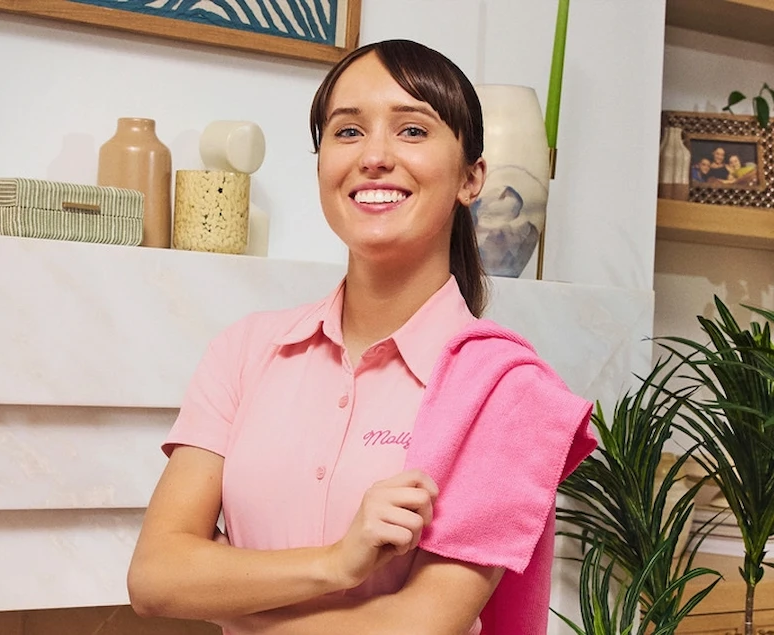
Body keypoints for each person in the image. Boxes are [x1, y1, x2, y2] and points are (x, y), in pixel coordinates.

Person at [126, 39, 588, 634]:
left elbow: (419, 626)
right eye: (347, 132)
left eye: (412, 130)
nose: (374, 156)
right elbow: (155, 576)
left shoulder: (507, 392)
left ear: (471, 178)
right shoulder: (244, 352)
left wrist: (234, 608)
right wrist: (336, 564)